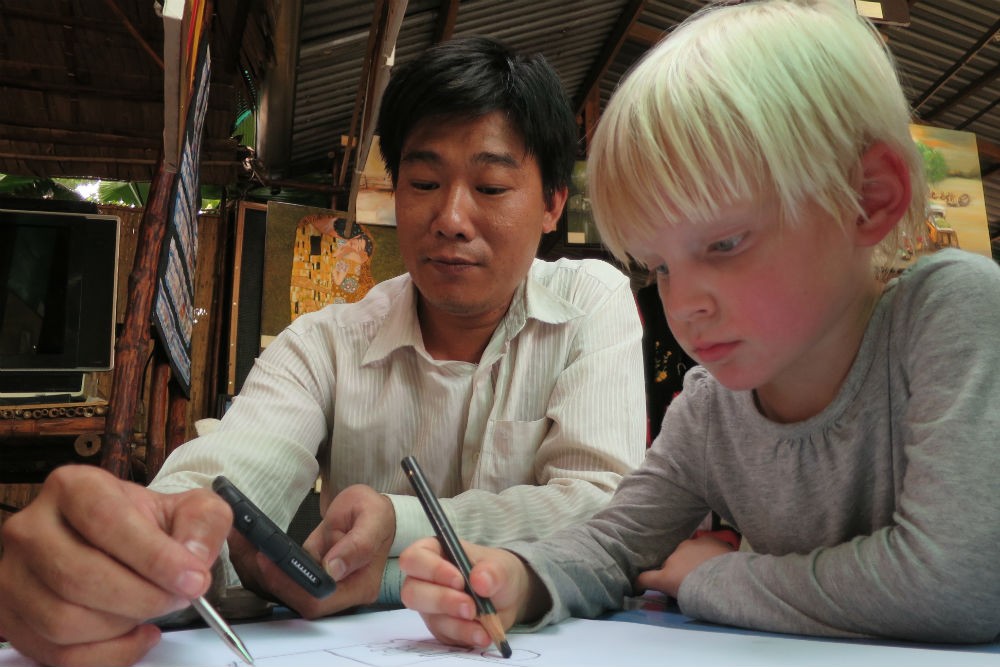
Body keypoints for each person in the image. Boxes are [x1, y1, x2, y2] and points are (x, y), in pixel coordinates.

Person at [0, 36, 646, 667]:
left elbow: (605, 509)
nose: (450, 216)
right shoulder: (325, 342)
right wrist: (155, 538)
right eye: (423, 181)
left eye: (492, 187)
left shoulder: (591, 301)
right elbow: (234, 467)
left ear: (553, 203)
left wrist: (397, 526)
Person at [399, 0, 1000, 649]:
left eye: (725, 244)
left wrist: (712, 577)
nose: (683, 304)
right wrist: (519, 577)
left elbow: (958, 580)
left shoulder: (952, 314)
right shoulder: (712, 411)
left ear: (868, 199)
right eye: (658, 265)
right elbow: (613, 543)